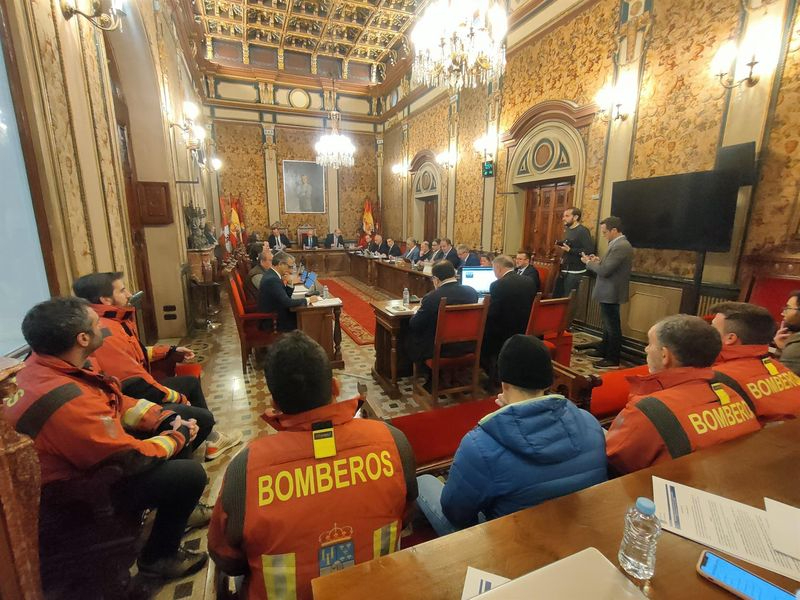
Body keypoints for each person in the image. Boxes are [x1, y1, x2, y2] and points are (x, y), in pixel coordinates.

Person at [8, 297, 210, 578]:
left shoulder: (47, 367)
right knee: (189, 475)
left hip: (86, 462)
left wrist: (160, 417)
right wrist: (177, 436)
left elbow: (113, 400)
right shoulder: (63, 399)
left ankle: (178, 512)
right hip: (72, 497)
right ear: (82, 338)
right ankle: (158, 557)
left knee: (179, 422)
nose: (102, 328)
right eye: (96, 325)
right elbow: (129, 457)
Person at [208, 332, 417, 600]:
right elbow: (407, 514)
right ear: (335, 387)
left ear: (274, 403)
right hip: (379, 590)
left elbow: (225, 556)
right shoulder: (392, 441)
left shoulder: (244, 471)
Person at [416, 335, 607, 535]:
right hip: (576, 530)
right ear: (548, 382)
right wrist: (514, 413)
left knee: (423, 482)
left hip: (511, 545)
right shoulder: (589, 422)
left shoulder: (479, 445)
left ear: (504, 384)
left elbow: (455, 513)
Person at [72, 272, 241, 461]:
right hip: (132, 397)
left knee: (190, 383)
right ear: (105, 299)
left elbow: (135, 352)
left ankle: (211, 439)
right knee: (203, 416)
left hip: (137, 389)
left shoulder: (113, 321)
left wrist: (168, 351)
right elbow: (134, 381)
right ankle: (180, 459)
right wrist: (177, 398)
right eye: (122, 290)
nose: (128, 294)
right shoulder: (105, 331)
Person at [605, 315, 760, 475]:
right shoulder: (732, 392)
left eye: (650, 343)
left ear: (665, 355)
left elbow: (613, 461)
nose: (646, 349)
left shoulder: (647, 410)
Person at [709, 302, 800, 423]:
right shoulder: (782, 369)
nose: (708, 333)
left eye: (713, 328)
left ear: (730, 338)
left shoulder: (717, 379)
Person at [406, 261, 479, 384]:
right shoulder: (471, 292)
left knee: (409, 337)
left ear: (436, 279)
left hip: (440, 350)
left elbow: (415, 324)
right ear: (454, 274)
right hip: (467, 346)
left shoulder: (432, 297)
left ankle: (429, 377)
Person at [580, 216, 633, 367]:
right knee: (607, 324)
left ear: (614, 230)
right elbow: (607, 265)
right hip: (608, 290)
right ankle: (604, 349)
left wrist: (589, 263)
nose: (603, 235)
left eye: (605, 232)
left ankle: (612, 358)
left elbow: (605, 271)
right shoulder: (616, 243)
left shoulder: (621, 245)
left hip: (612, 291)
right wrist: (597, 260)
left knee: (612, 326)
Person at [481, 255, 538, 383]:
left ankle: (493, 374)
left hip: (503, 333)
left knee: (481, 334)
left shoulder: (497, 285)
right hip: (525, 328)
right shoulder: (529, 281)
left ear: (498, 268)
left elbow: (493, 314)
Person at [258, 251, 318, 331]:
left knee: (308, 314)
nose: (291, 270)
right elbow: (287, 302)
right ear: (280, 264)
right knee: (310, 316)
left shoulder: (272, 275)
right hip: (274, 319)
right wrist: (308, 299)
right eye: (289, 267)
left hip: (279, 312)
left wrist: (290, 283)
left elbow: (286, 296)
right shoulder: (272, 279)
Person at [554, 207, 594, 299]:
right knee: (559, 297)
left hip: (575, 271)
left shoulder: (583, 231)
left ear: (575, 217)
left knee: (569, 299)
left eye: (567, 216)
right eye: (564, 216)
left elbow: (589, 250)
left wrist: (570, 250)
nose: (563, 218)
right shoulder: (568, 230)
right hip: (564, 269)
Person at [774, 291, 800, 375]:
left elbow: (777, 379)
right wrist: (783, 348)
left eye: (788, 308)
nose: (782, 313)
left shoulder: (796, 346)